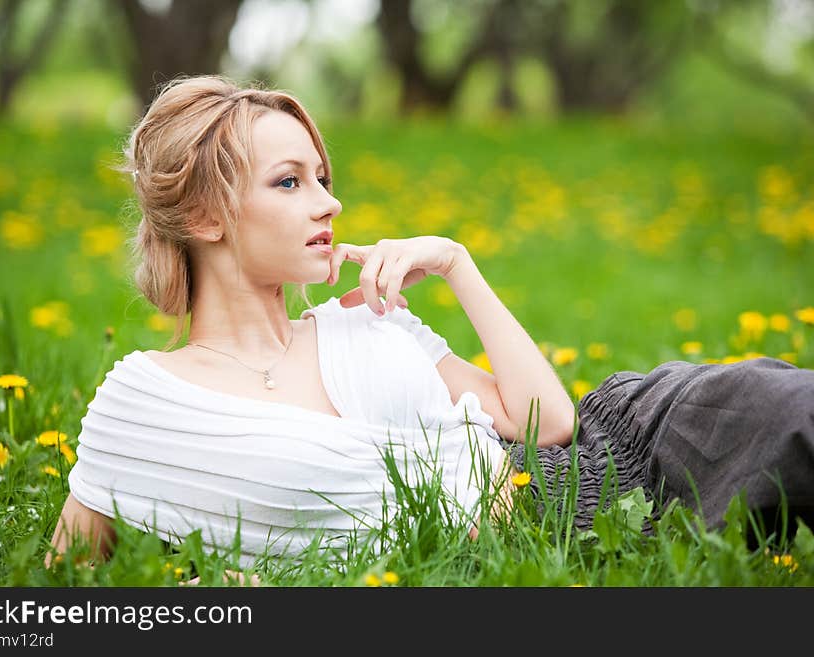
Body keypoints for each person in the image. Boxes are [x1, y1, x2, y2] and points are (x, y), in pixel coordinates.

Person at [47, 74, 814, 581]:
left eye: (323, 178)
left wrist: (456, 262)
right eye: (290, 182)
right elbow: (59, 585)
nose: (328, 203)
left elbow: (549, 423)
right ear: (206, 215)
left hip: (627, 459)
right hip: (578, 544)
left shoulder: (365, 327)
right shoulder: (142, 404)